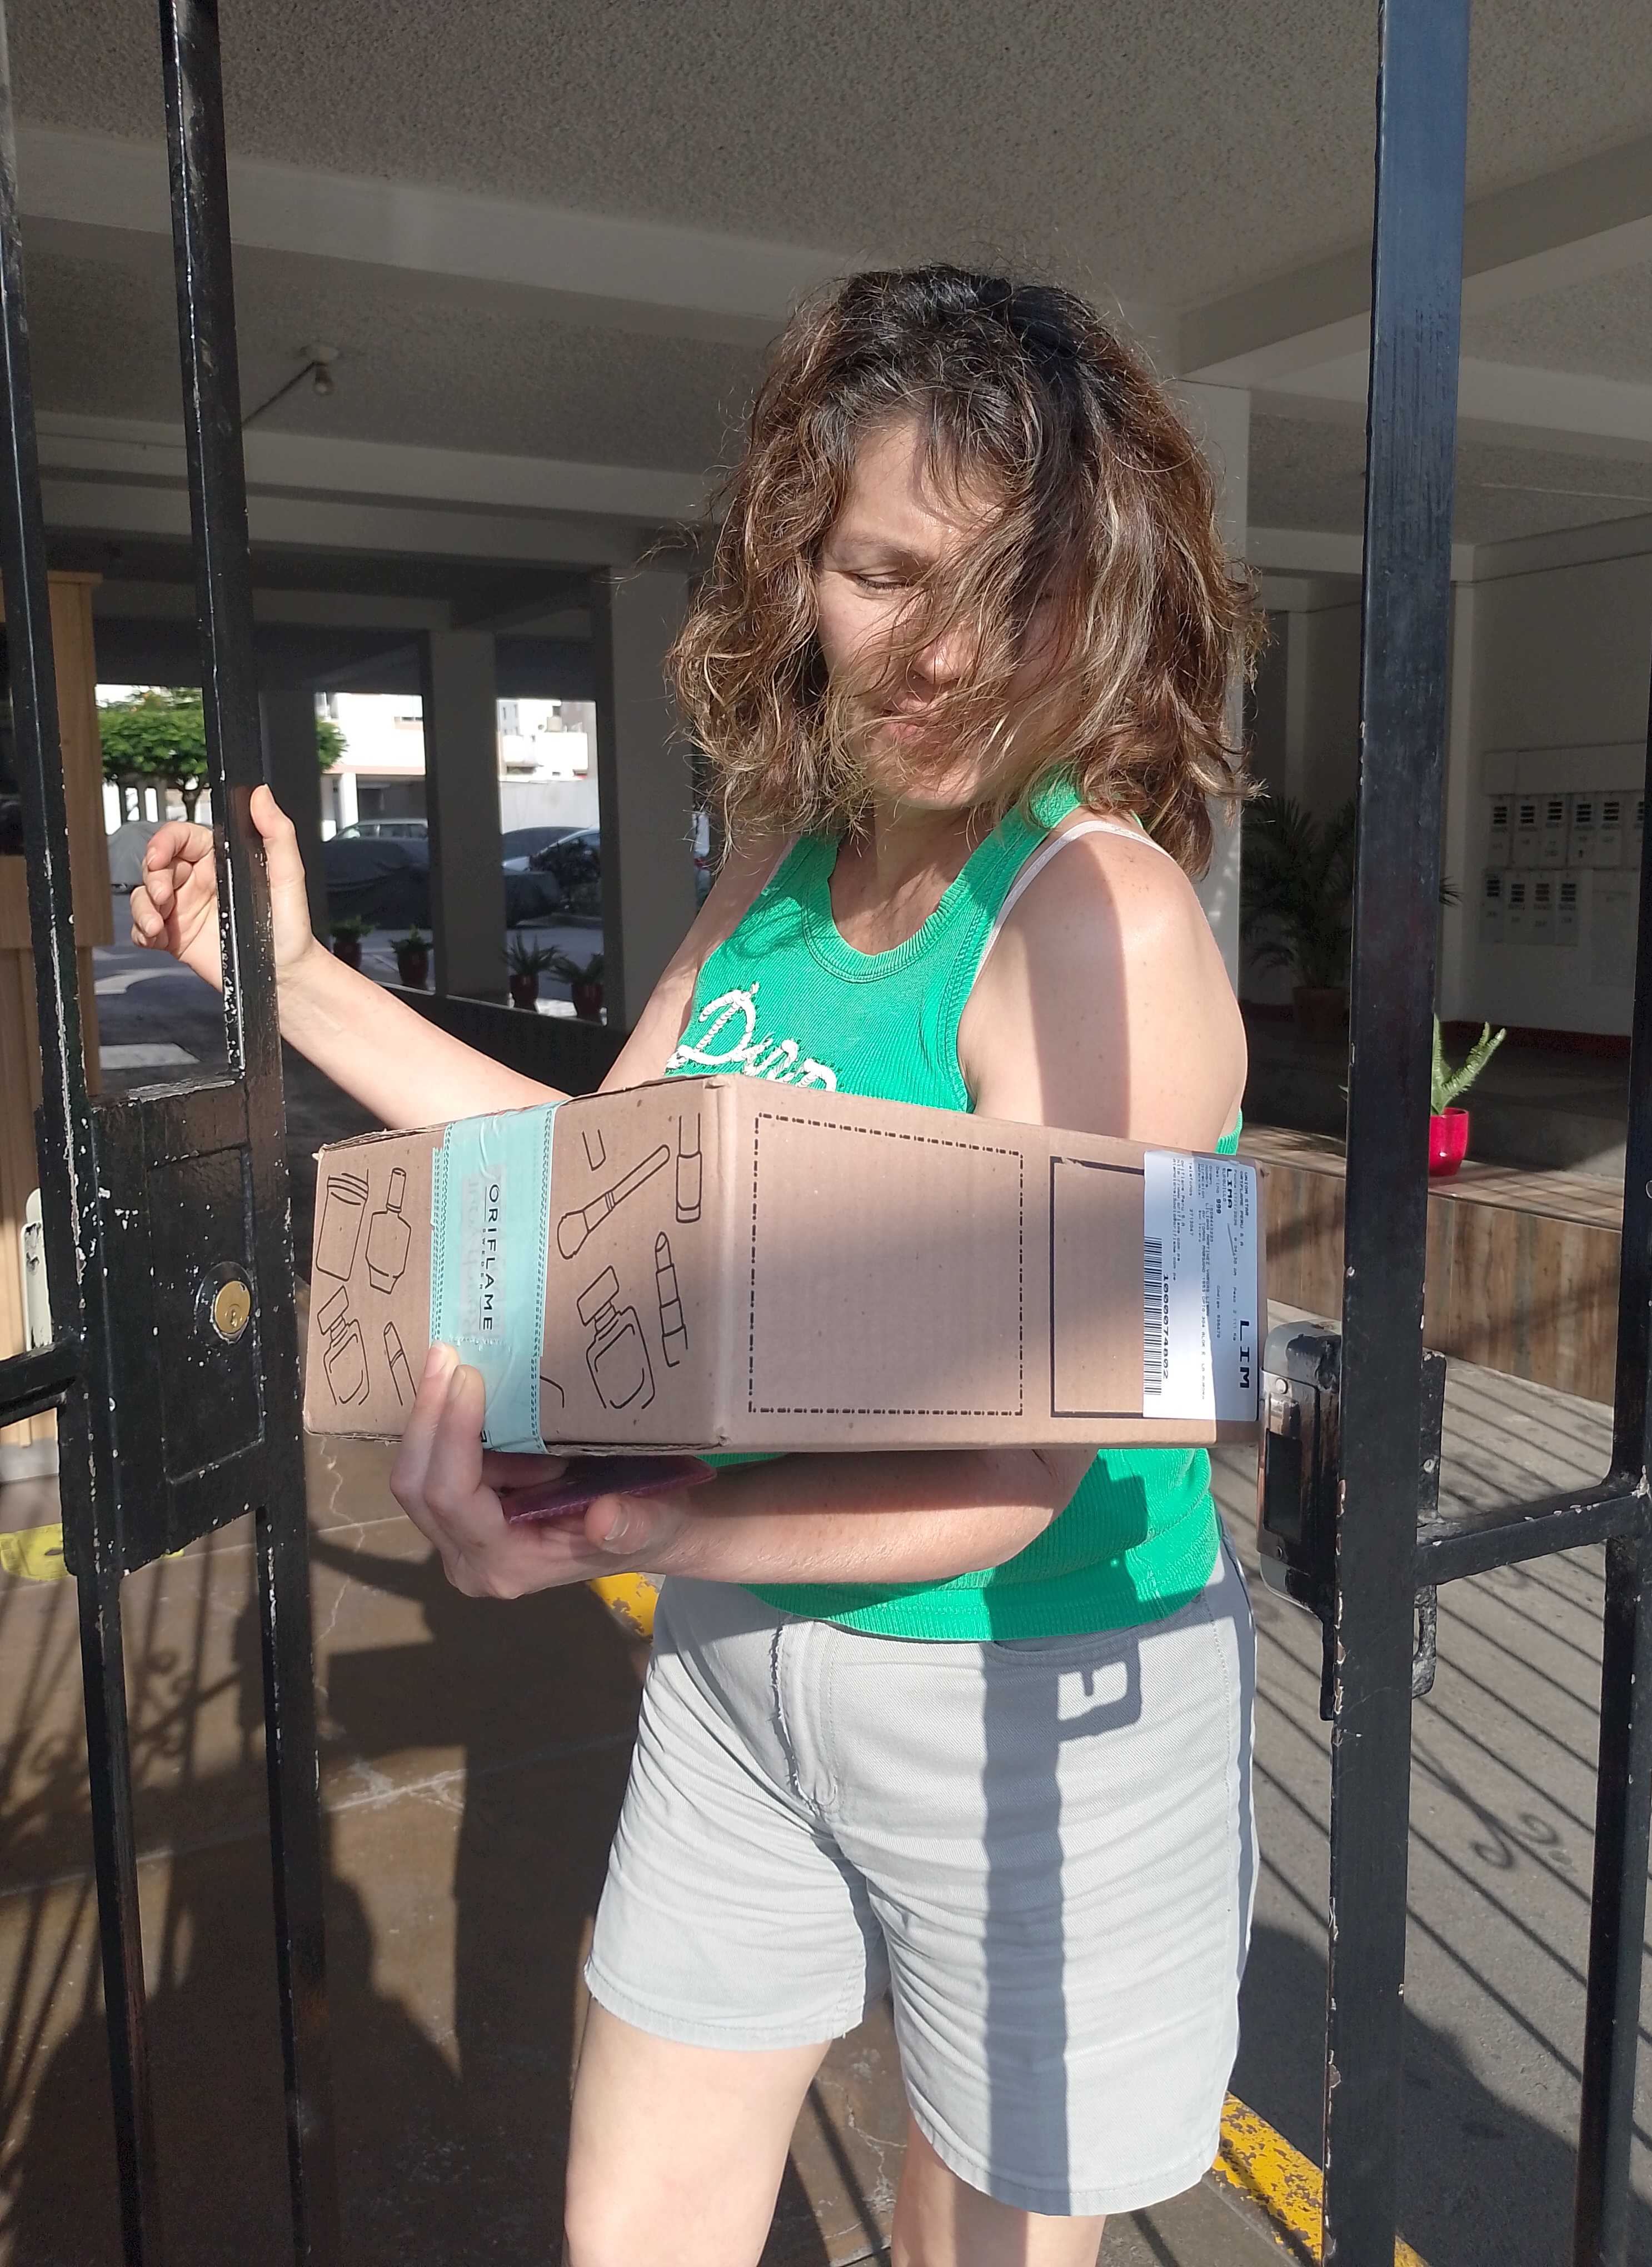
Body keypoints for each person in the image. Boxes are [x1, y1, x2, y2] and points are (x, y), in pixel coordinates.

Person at [133, 265, 1260, 2267]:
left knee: (972, 2238)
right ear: (793, 565)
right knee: (635, 2224)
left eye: (1006, 588)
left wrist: (620, 1531)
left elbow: (1029, 1472)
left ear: (1094, 602)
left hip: (1036, 1681)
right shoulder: (773, 861)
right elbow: (603, 1187)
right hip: (747, 1656)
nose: (941, 652)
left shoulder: (1105, 927)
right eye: (883, 572)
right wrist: (291, 980)